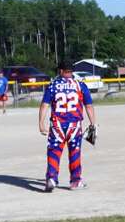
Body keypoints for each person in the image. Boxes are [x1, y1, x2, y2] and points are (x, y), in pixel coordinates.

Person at [39, 61, 97, 192]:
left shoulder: (53, 85)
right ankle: (75, 181)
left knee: (54, 152)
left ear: (60, 71)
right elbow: (88, 105)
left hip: (57, 125)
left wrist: (41, 123)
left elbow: (44, 105)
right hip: (75, 125)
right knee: (75, 152)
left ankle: (52, 178)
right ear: (71, 71)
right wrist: (93, 123)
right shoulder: (80, 85)